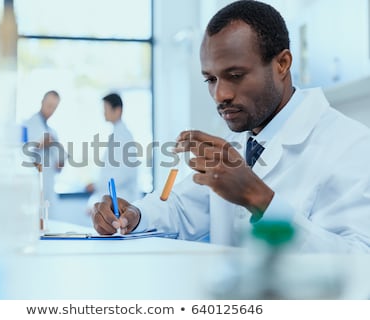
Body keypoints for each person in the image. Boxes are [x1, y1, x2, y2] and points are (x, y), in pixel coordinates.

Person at [91, 1, 370, 253]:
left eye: (235, 75)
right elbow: (182, 208)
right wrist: (134, 215)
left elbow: (359, 264)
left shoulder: (352, 145)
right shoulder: (240, 144)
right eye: (210, 79)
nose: (220, 94)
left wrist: (259, 198)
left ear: (282, 64)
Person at [86, 93, 141, 211]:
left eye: (106, 109)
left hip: (122, 199)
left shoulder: (124, 137)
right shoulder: (116, 134)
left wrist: (97, 185)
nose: (103, 113)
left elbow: (125, 173)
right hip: (114, 198)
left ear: (118, 110)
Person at [23, 90, 64, 215]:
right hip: (34, 184)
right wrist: (41, 144)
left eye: (54, 107)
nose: (50, 110)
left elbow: (58, 163)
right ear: (42, 102)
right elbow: (23, 151)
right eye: (49, 105)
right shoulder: (29, 124)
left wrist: (60, 162)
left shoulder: (52, 131)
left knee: (49, 219)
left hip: (49, 184)